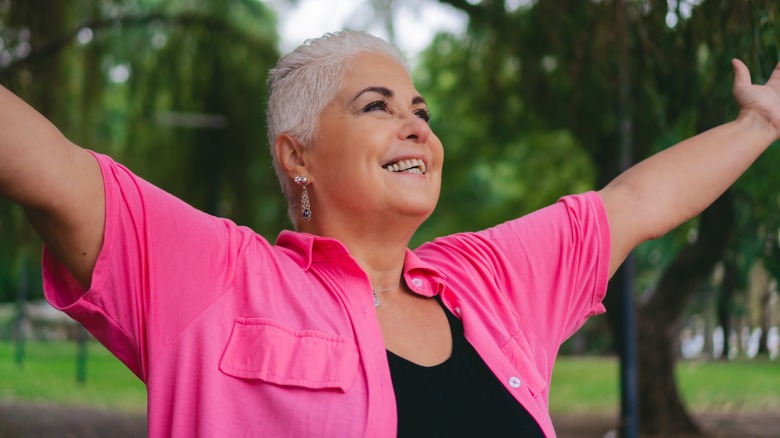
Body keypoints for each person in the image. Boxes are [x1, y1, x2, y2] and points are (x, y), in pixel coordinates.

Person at [0, 30, 778, 437]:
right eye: (378, 107)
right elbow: (53, 173)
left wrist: (761, 122)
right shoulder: (217, 277)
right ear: (295, 154)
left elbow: (636, 200)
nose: (415, 125)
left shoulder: (489, 279)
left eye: (421, 113)